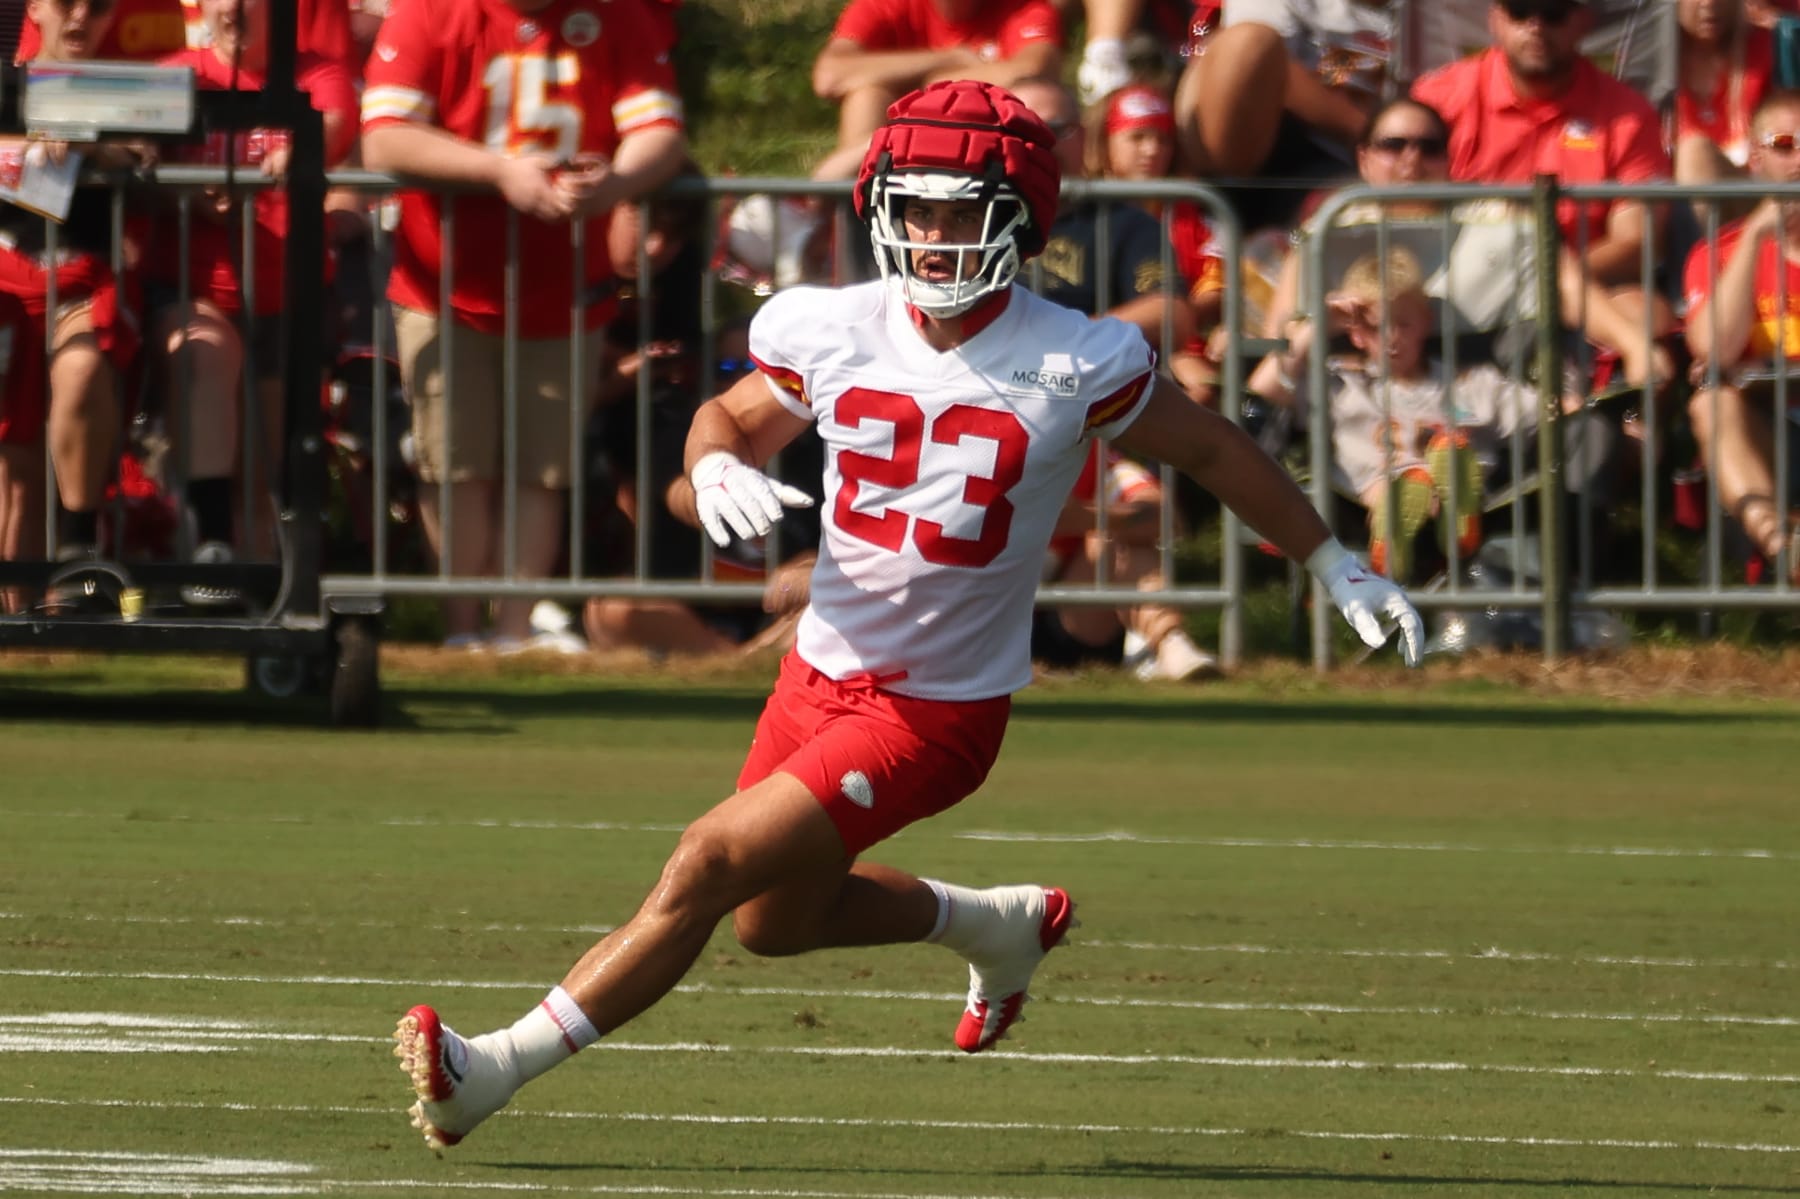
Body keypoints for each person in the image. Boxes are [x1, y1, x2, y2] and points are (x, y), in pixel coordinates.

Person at [391, 79, 1423, 1152]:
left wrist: (1333, 560)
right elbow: (723, 425)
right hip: (816, 676)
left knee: (703, 859)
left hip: (936, 709)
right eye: (915, 207)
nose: (932, 236)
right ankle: (996, 921)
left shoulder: (1075, 356)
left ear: (1018, 218)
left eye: (960, 210)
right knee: (772, 925)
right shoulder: (833, 325)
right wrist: (712, 467)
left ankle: (490, 1066)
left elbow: (1211, 446)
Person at [359, 0, 689, 650]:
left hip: (563, 291)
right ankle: (460, 631)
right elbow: (385, 134)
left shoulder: (617, 16)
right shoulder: (431, 13)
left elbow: (662, 132)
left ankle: (512, 632)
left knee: (542, 470)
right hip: (442, 288)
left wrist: (615, 182)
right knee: (456, 466)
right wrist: (500, 171)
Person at [143, 0, 358, 580]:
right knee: (206, 357)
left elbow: (335, 122)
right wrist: (183, 193)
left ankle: (260, 595)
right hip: (192, 287)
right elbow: (140, 155)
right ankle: (210, 552)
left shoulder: (318, 73)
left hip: (284, 295)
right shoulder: (174, 73)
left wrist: (298, 152)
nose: (235, 8)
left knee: (261, 476)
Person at [1251, 248, 1539, 580]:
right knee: (1396, 493)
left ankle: (1451, 508)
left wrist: (1570, 399)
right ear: (1354, 332)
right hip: (1366, 501)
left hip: (1469, 501)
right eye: (1375, 327)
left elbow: (1545, 412)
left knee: (1454, 456)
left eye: (1403, 324)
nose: (1391, 339)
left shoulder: (1469, 383)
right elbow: (1260, 397)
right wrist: (1314, 331)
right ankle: (1398, 531)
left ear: (1426, 321)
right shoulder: (1339, 383)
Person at [0, 0, 152, 595]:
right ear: (35, 7)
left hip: (87, 282)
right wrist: (22, 140)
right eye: (66, 4)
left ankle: (79, 559)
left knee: (82, 373)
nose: (80, 18)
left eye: (97, 6)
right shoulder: (9, 84)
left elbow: (145, 155)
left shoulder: (127, 87)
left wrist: (93, 145)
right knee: (15, 466)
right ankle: (18, 612)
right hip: (8, 279)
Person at [1682, 87, 1800, 584]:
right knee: (1711, 403)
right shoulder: (1722, 251)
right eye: (1785, 143)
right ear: (1755, 158)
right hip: (1770, 427)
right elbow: (1713, 350)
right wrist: (1756, 236)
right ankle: (1784, 550)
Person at [1169, 0, 1394, 227]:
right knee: (1247, 42)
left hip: (1386, 157)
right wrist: (1369, 130)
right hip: (1280, 144)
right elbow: (1251, 59)